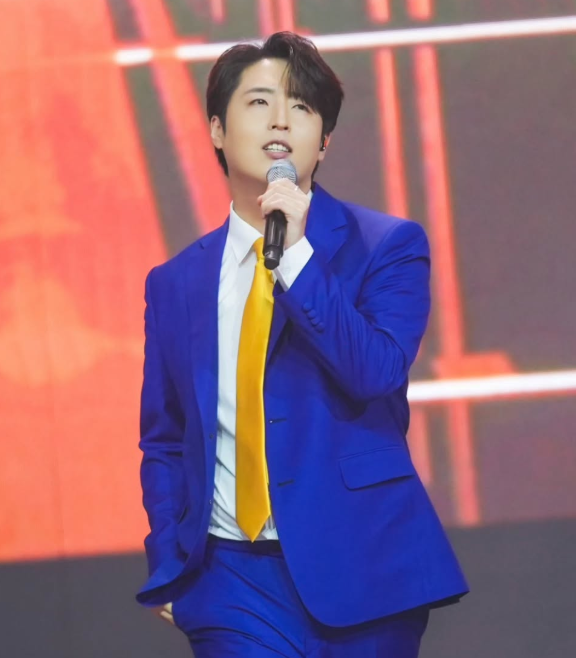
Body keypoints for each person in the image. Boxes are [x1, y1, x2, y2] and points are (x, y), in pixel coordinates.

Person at [136, 31, 468, 658]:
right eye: (260, 102)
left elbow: (374, 371)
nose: (282, 120)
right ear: (217, 129)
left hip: (365, 564)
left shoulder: (387, 245)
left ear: (325, 141)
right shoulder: (175, 282)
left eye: (303, 106)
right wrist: (170, 561)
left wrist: (296, 258)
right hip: (231, 575)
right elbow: (165, 437)